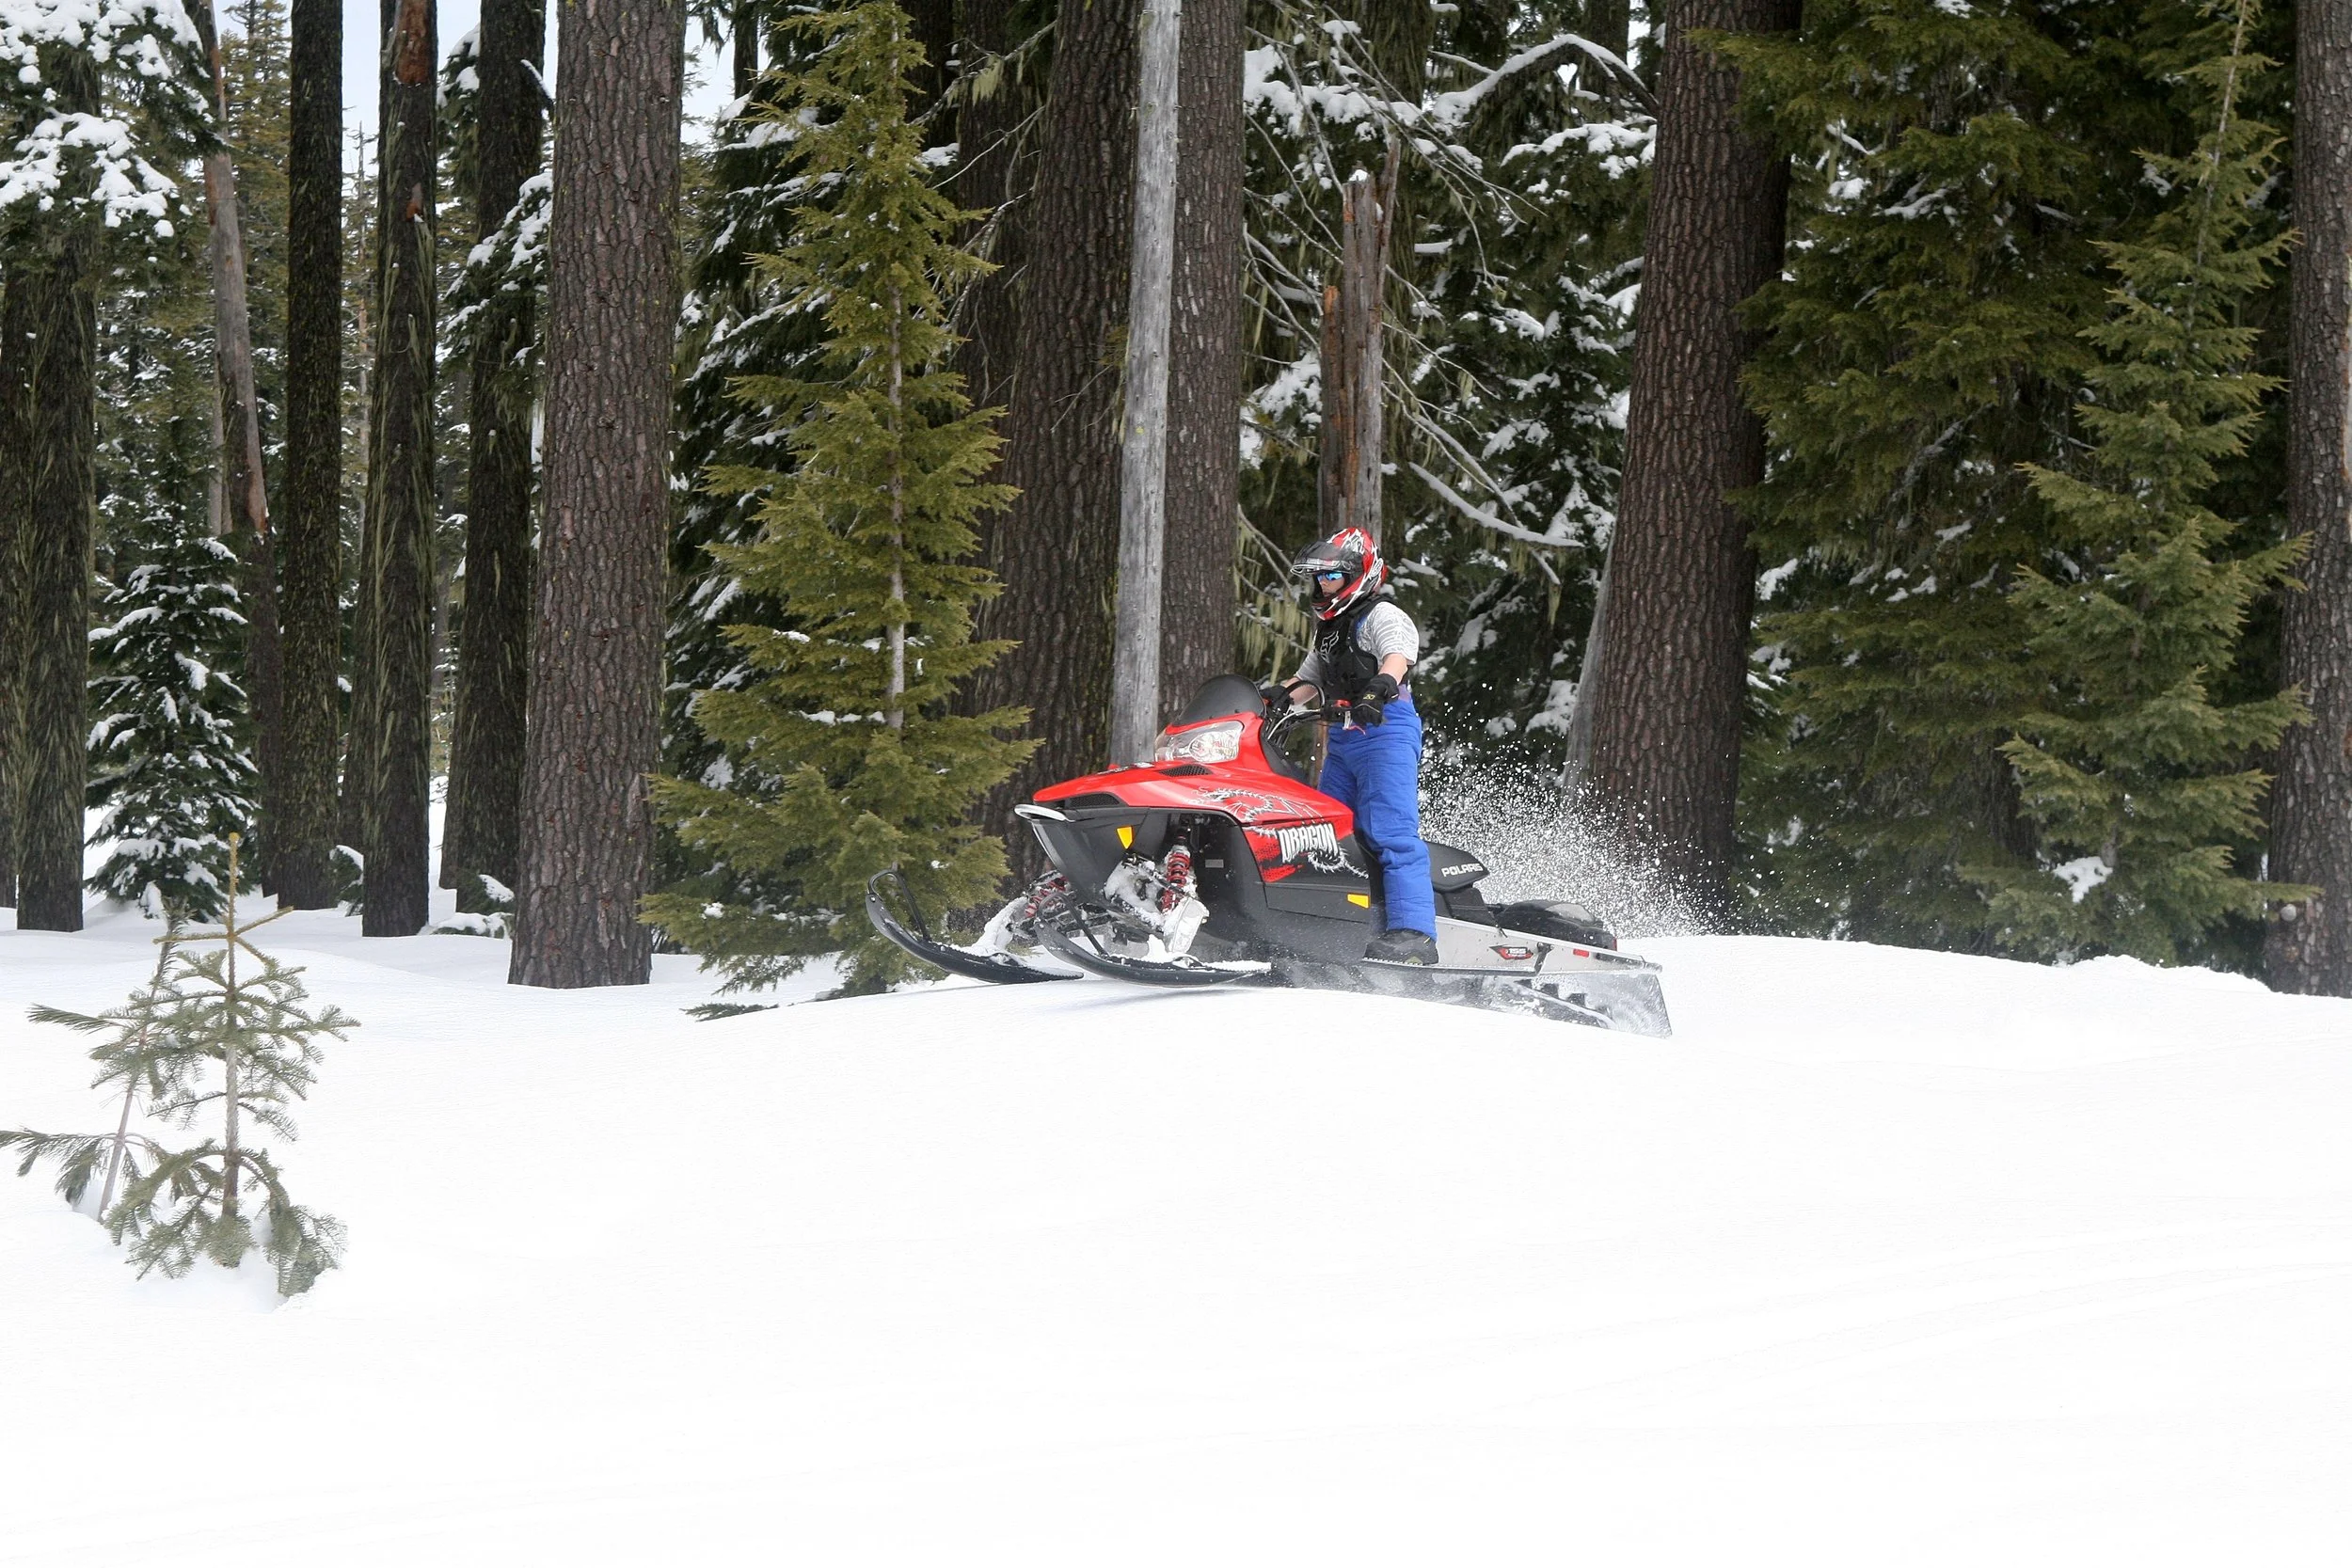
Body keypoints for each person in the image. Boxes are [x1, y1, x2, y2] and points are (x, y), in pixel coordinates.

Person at [1263, 527, 1440, 966]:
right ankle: (1337, 921)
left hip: (1386, 731)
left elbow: (1397, 656)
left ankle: (1414, 933)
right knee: (1328, 832)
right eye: (1319, 578)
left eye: (1332, 577)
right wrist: (1272, 698)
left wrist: (1380, 687)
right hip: (1343, 739)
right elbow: (1309, 679)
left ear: (1358, 576)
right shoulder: (1330, 628)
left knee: (1390, 832)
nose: (1324, 585)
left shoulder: (1383, 615)